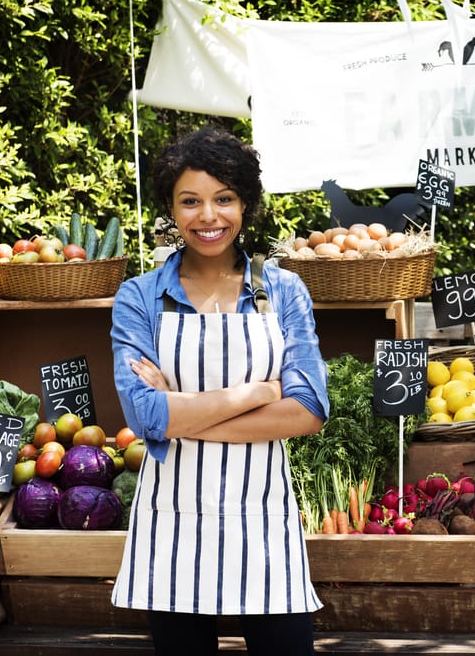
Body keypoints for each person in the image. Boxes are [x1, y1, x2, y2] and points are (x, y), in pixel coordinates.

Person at [109, 126, 329, 655]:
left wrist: (182, 413)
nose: (208, 217)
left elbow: (308, 410)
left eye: (224, 199)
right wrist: (258, 393)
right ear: (171, 208)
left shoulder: (281, 290)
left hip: (263, 518)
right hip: (174, 522)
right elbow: (145, 417)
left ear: (245, 204)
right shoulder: (139, 296)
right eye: (191, 201)